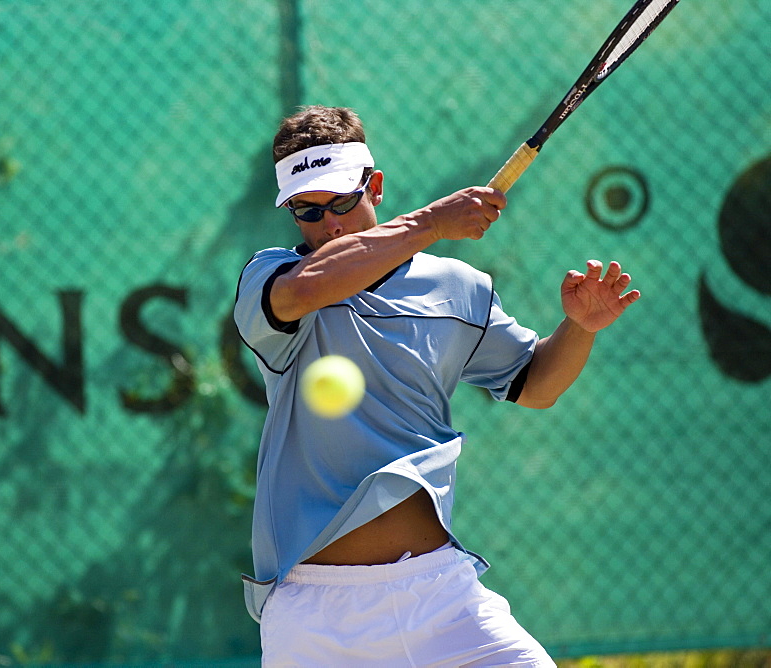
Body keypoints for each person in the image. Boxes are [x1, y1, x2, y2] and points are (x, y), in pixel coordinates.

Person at [234, 105, 640, 666]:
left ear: (374, 185)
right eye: (308, 209)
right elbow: (308, 289)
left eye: (344, 202)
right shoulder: (272, 280)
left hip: (442, 597)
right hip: (314, 613)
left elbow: (537, 383)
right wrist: (430, 222)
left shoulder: (456, 288)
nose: (329, 224)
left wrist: (580, 328)